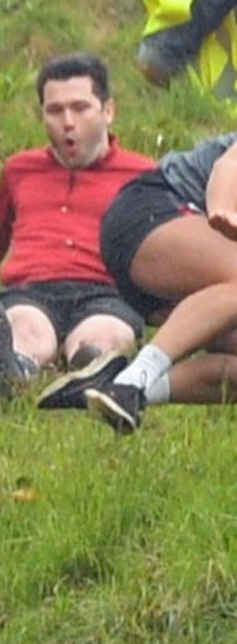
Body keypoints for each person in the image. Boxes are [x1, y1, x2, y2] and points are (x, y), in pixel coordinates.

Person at [0, 54, 153, 400]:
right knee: (23, 327)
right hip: (31, 289)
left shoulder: (143, 175)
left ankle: (92, 369)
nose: (68, 122)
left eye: (80, 108)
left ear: (107, 111)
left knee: (105, 334)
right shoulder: (20, 170)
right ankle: (15, 371)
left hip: (105, 292)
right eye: (55, 111)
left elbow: (168, 248)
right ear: (42, 115)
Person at [60, 130, 237, 433]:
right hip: (153, 213)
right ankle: (134, 380)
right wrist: (224, 207)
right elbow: (229, 165)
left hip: (177, 282)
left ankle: (121, 388)